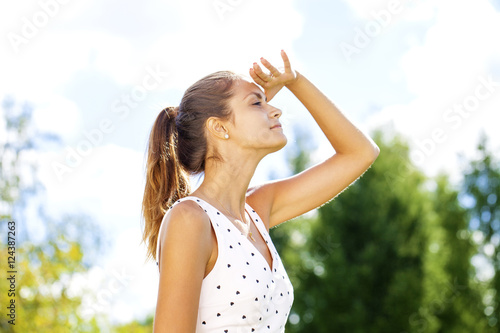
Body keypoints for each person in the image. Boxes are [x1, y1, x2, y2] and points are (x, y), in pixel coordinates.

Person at [142, 50, 380, 332]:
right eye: (257, 103)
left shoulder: (257, 210)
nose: (275, 110)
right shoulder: (190, 219)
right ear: (218, 127)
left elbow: (361, 153)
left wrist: (296, 81)